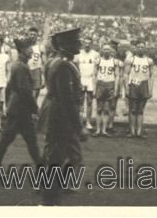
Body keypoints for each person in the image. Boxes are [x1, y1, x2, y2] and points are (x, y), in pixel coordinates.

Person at [39, 28, 88, 206]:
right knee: (57, 156)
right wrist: (78, 126)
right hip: (61, 116)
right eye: (76, 41)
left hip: (56, 113)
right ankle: (48, 199)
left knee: (56, 154)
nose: (79, 44)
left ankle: (50, 191)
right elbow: (66, 98)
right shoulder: (64, 65)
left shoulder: (57, 62)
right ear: (66, 44)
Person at [0, 37, 43, 177]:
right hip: (21, 110)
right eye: (29, 49)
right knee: (28, 142)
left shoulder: (18, 66)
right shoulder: (21, 67)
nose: (32, 51)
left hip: (16, 109)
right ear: (23, 51)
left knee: (14, 141)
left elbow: (9, 89)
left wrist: (9, 104)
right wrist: (35, 109)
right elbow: (25, 91)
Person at [123, 40, 154, 138]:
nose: (140, 48)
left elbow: (152, 76)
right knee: (132, 109)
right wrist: (126, 88)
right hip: (133, 84)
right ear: (136, 48)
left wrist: (150, 89)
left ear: (145, 48)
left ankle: (139, 131)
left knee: (140, 110)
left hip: (143, 85)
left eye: (142, 47)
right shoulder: (131, 60)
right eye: (139, 47)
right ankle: (132, 131)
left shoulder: (149, 61)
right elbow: (125, 74)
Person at [92, 44, 119, 137]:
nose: (106, 51)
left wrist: (115, 88)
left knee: (107, 109)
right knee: (99, 108)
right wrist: (94, 88)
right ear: (102, 50)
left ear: (111, 50)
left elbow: (117, 76)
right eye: (105, 49)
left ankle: (104, 130)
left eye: (108, 49)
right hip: (100, 84)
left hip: (110, 84)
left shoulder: (114, 61)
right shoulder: (98, 61)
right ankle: (97, 130)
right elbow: (94, 75)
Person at [73, 36, 99, 131]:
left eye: (89, 43)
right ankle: (79, 121)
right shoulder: (78, 54)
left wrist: (94, 82)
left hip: (90, 79)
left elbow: (96, 70)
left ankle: (88, 121)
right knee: (80, 101)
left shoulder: (96, 54)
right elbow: (75, 68)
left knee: (89, 101)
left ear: (91, 44)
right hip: (81, 79)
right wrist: (78, 81)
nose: (87, 45)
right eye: (85, 43)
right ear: (83, 43)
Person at [27, 27, 46, 102]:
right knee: (25, 95)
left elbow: (44, 63)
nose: (32, 36)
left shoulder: (40, 47)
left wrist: (44, 77)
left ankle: (33, 112)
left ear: (37, 36)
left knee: (34, 96)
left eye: (34, 34)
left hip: (36, 71)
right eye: (30, 34)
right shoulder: (24, 47)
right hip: (26, 71)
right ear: (28, 35)